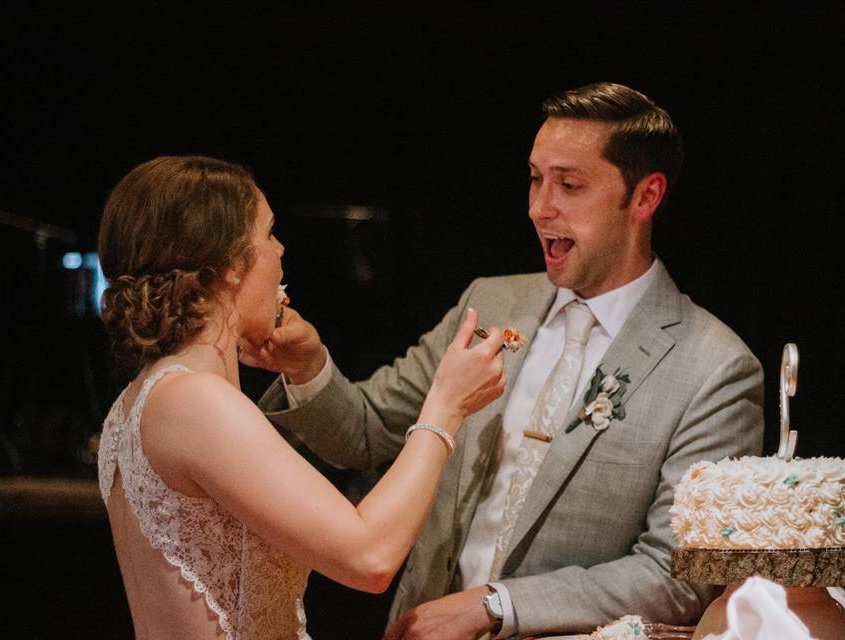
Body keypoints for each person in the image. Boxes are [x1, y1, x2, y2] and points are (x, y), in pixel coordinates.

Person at [253, 82, 765, 639]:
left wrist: (494, 606)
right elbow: (369, 431)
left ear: (645, 197)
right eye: (535, 178)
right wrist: (307, 367)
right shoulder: (490, 303)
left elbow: (678, 573)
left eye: (570, 185)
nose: (539, 208)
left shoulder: (715, 367)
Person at [96, 155, 506, 639]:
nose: (281, 249)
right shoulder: (196, 401)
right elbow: (370, 556)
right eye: (268, 234)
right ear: (228, 268)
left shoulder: (138, 398)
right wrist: (447, 405)